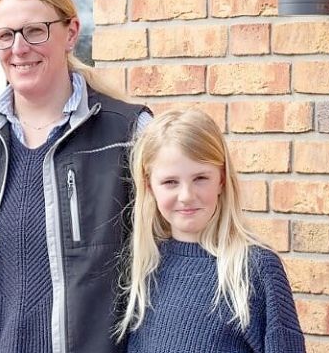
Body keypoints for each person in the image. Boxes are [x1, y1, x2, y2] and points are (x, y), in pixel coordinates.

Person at [0, 0, 151, 353]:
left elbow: (169, 264)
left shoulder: (130, 133)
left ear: (71, 32)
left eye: (35, 31)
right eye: (5, 36)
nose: (18, 48)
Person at [117, 109, 306, 352]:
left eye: (200, 178)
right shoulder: (143, 269)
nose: (186, 196)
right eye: (170, 182)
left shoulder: (255, 269)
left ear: (222, 179)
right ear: (149, 186)